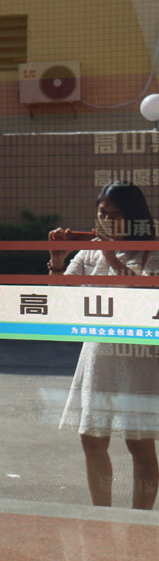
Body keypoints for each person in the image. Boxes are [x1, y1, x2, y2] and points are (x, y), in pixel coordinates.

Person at [50, 180, 159, 510]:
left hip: (137, 354)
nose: (107, 220)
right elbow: (60, 298)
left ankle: (140, 518)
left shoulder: (151, 250)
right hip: (98, 352)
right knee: (92, 438)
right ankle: (102, 514)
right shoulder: (89, 251)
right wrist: (57, 260)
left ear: (134, 217)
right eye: (102, 213)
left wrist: (113, 259)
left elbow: (148, 298)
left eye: (116, 214)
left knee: (139, 443)